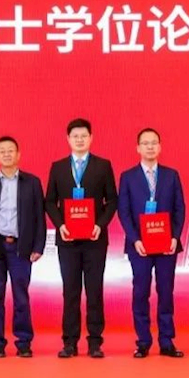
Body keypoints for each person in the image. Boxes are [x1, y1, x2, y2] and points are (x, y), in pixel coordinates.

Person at [45, 118, 118, 358]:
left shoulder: (103, 166)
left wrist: (100, 225)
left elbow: (112, 200)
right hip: (68, 240)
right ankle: (70, 342)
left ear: (91, 138)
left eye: (83, 136)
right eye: (75, 136)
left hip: (95, 239)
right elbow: (50, 201)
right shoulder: (58, 167)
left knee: (94, 290)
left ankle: (95, 342)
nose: (79, 140)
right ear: (68, 139)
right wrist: (61, 225)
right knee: (71, 292)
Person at [117, 128, 185, 358]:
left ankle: (167, 341)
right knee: (140, 292)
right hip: (140, 246)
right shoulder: (128, 177)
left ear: (160, 146)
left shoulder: (171, 175)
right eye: (145, 143)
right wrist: (135, 239)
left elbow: (179, 208)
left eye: (154, 142)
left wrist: (175, 237)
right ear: (138, 148)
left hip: (167, 245)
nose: (150, 147)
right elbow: (124, 211)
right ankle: (143, 341)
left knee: (166, 292)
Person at [0, 136, 45, 358]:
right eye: (2, 151)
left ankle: (23, 342)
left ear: (18, 155)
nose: (7, 154)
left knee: (21, 296)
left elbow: (39, 216)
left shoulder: (32, 182)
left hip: (20, 248)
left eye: (11, 150)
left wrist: (38, 246)